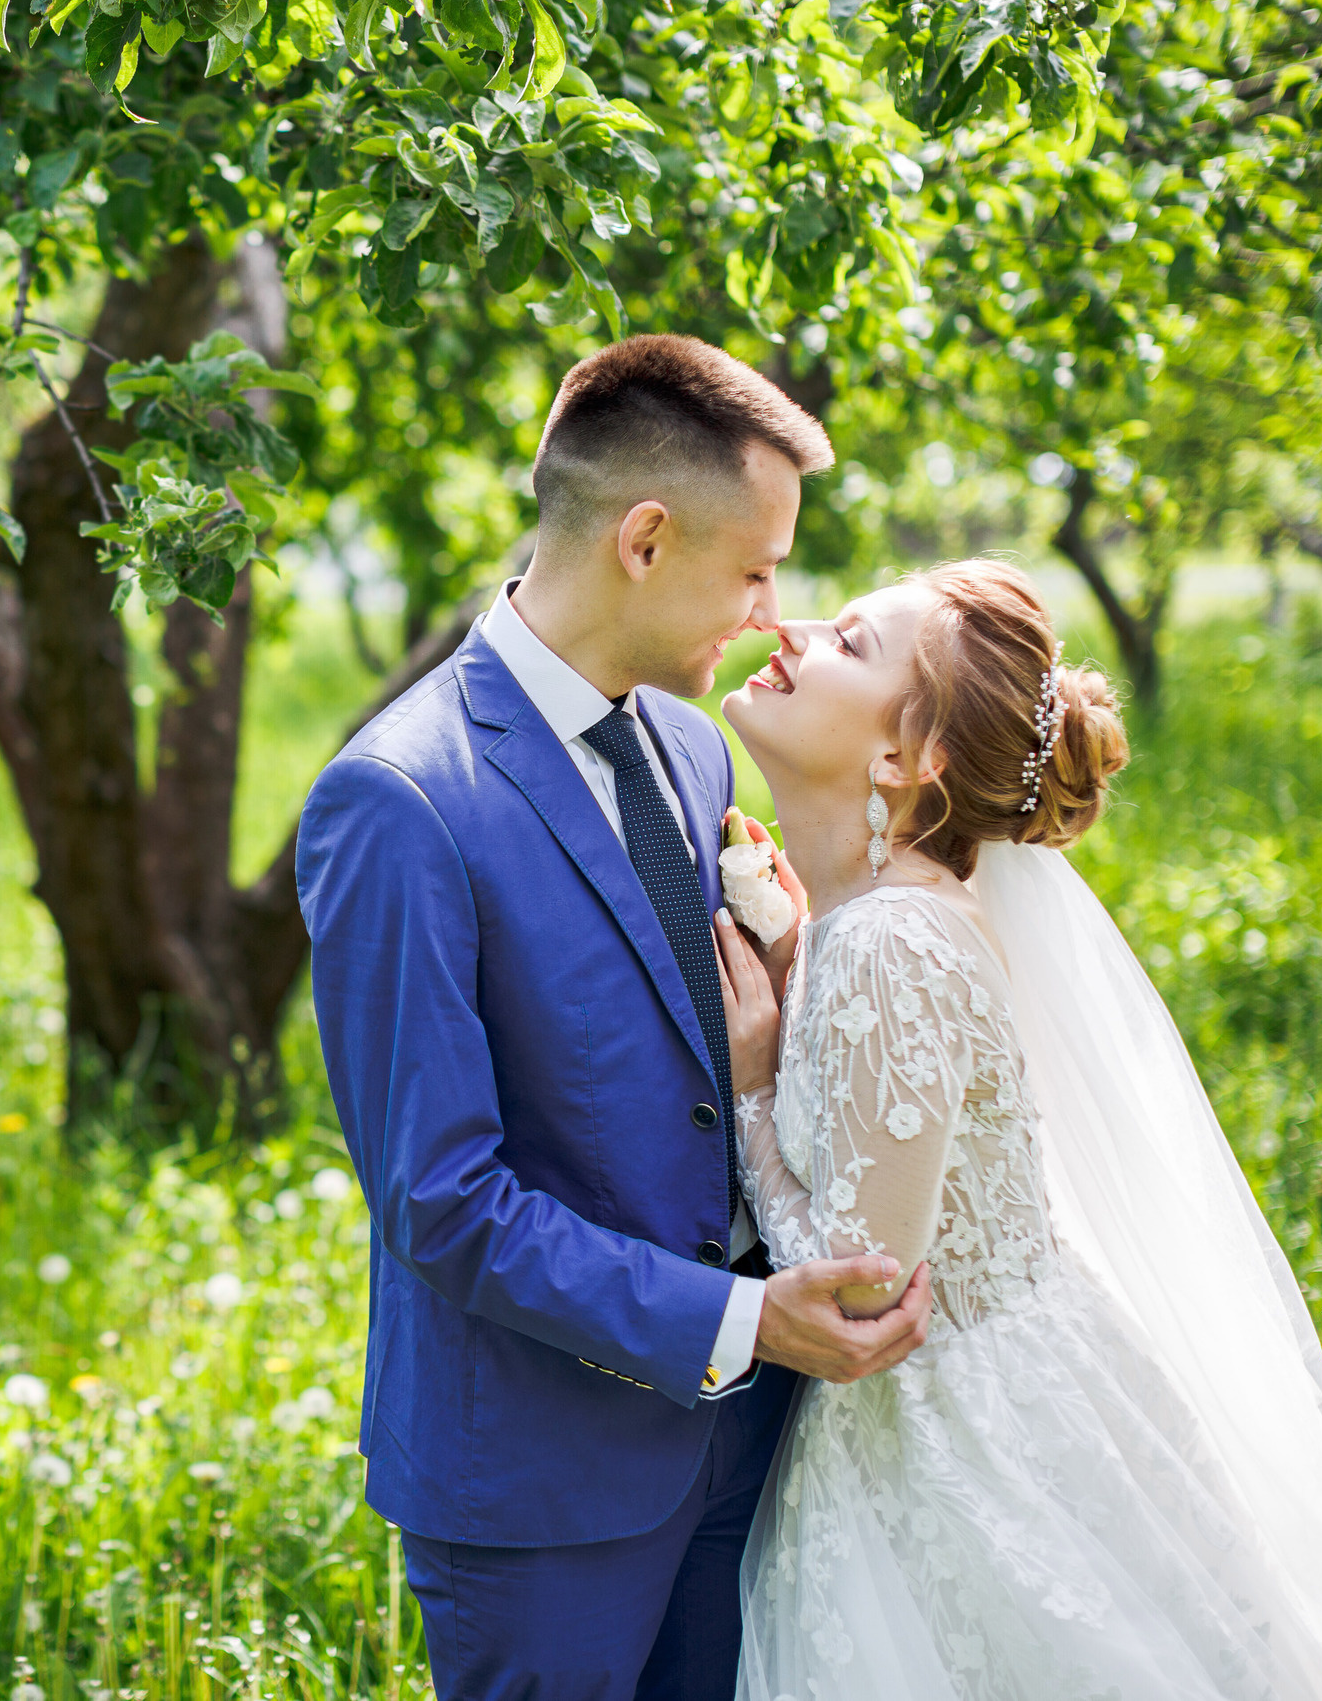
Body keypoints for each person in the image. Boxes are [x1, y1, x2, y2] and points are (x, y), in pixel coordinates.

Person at [296, 335, 933, 1701]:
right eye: (754, 568)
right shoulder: (402, 801)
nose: (774, 612)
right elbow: (443, 1205)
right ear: (646, 536)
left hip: (752, 1446)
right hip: (542, 1487)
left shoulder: (693, 743)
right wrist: (745, 1318)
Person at [714, 556, 1322, 1698]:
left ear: (904, 760)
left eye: (846, 643)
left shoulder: (890, 944)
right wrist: (795, 960)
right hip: (1027, 1385)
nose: (787, 631)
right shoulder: (888, 920)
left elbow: (858, 1291)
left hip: (965, 1449)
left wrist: (753, 1083)